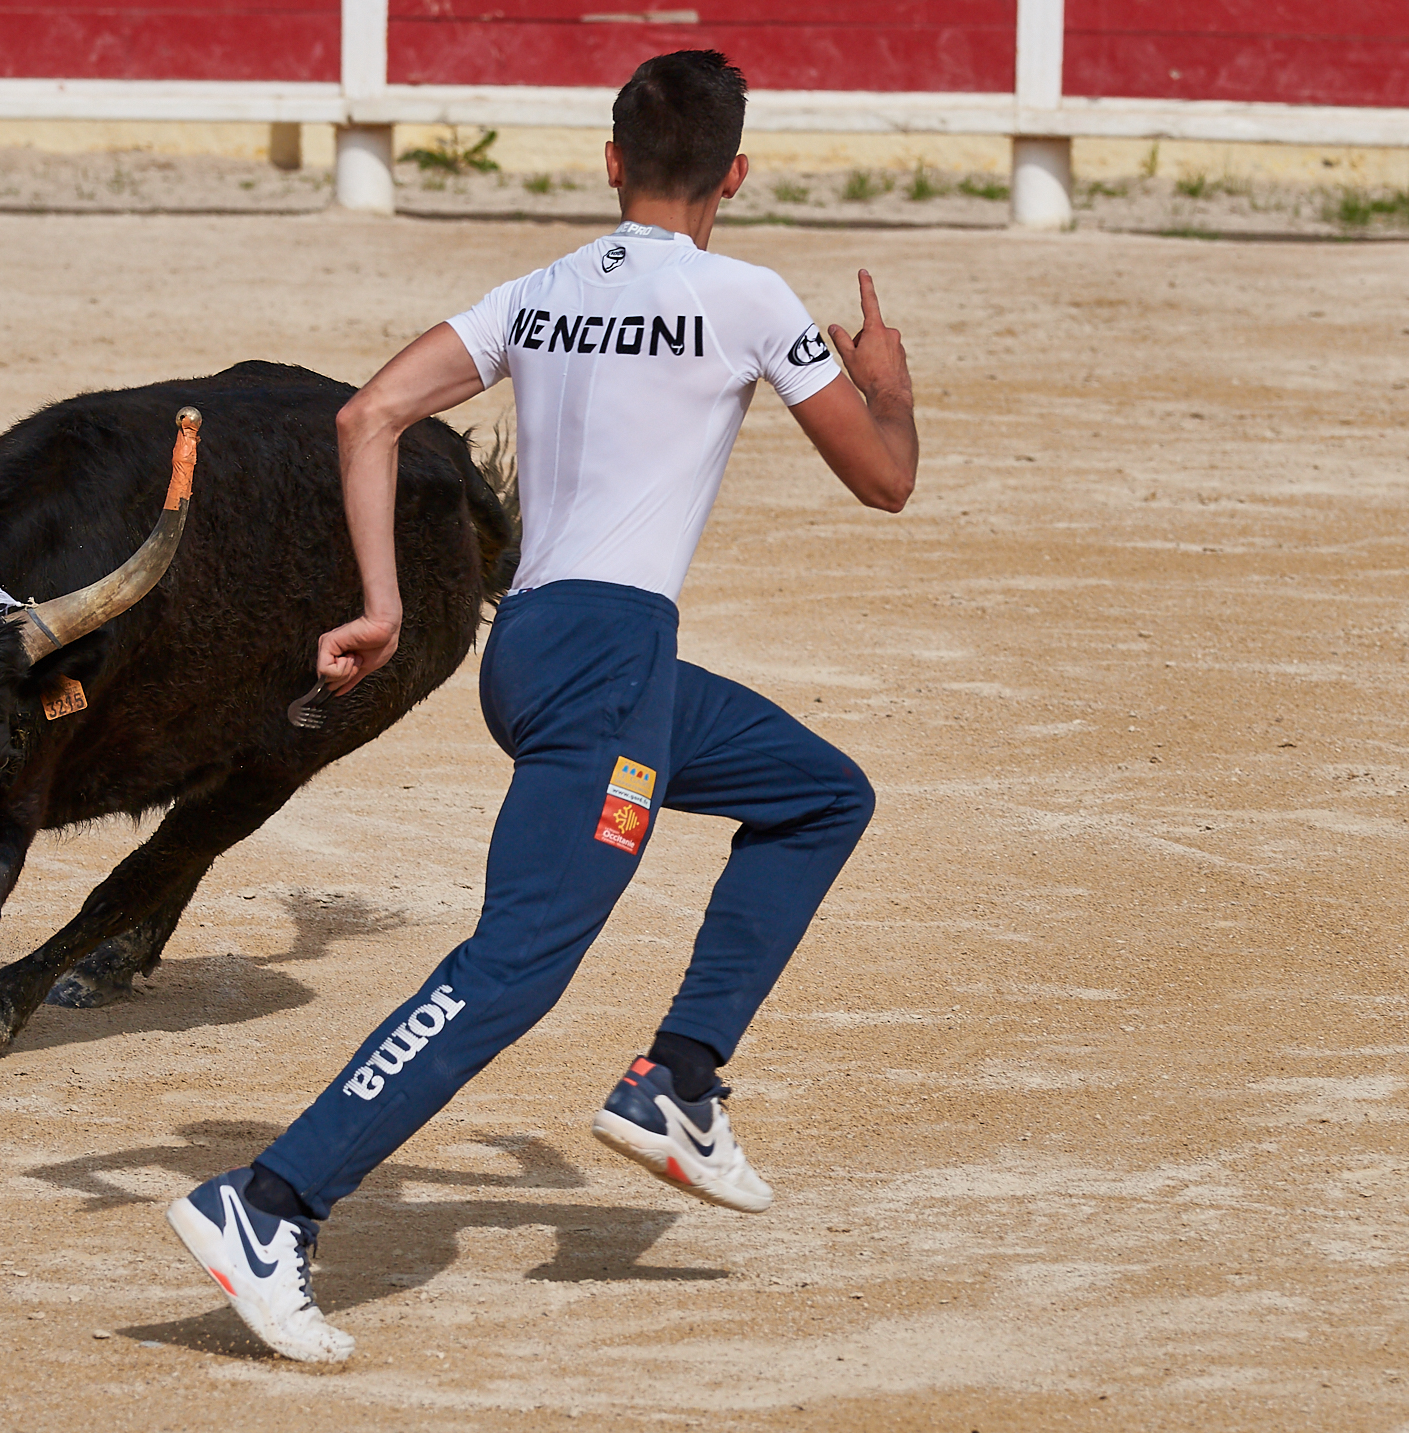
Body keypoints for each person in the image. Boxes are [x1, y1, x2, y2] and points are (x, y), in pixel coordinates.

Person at [166, 49, 918, 1363]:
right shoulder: (747, 298)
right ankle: (266, 1200)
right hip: (614, 659)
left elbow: (367, 416)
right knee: (513, 966)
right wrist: (887, 388)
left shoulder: (543, 291)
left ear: (611, 160)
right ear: (734, 174)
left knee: (815, 791)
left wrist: (386, 603)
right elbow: (884, 480)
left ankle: (677, 1077)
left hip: (539, 648)